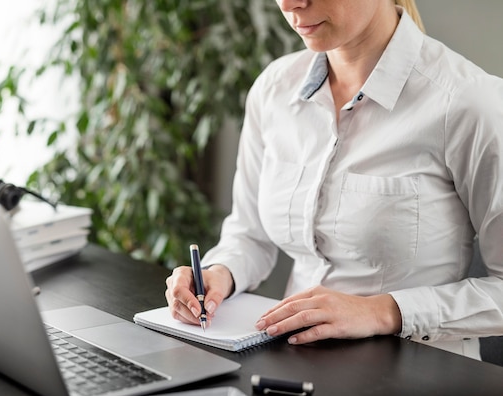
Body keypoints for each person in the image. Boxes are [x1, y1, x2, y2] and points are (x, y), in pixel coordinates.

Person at [165, 0, 503, 360]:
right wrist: (219, 276)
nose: (289, 3)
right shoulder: (274, 89)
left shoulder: (467, 102)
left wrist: (384, 311)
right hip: (294, 367)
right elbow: (249, 235)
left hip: (421, 379)